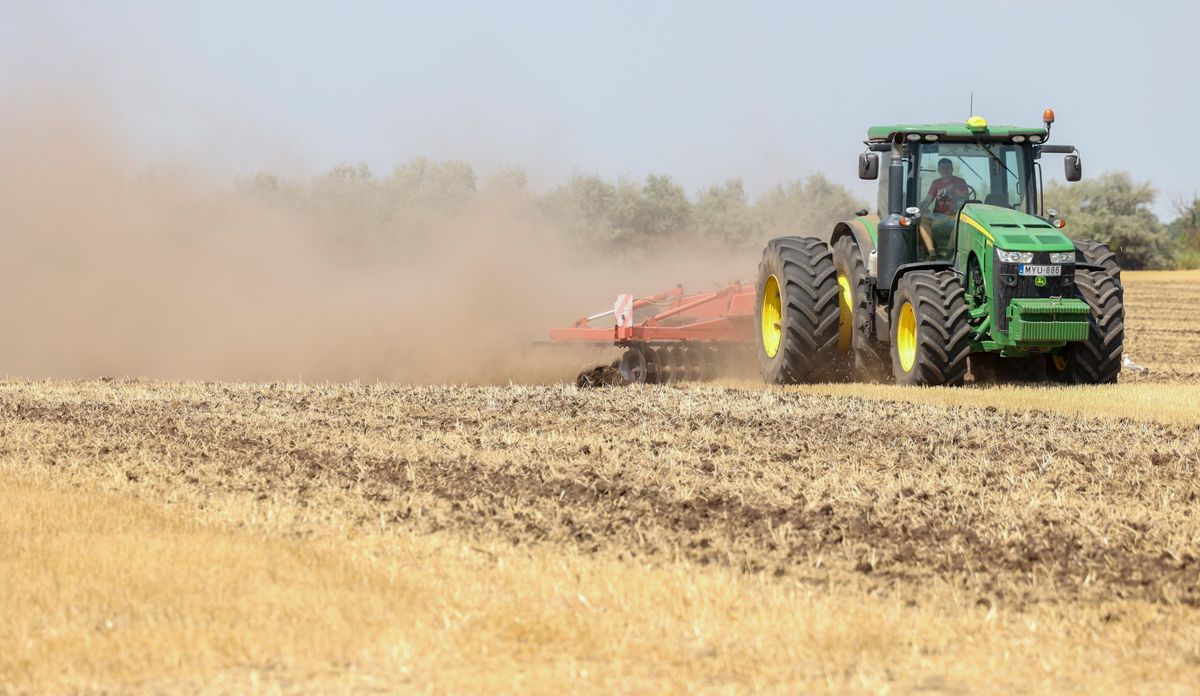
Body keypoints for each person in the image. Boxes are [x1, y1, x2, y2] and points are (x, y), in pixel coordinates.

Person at [917, 158, 970, 257]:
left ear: (952, 169)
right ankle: (931, 251)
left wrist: (954, 189)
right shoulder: (936, 183)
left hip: (954, 215)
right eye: (942, 168)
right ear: (939, 170)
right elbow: (928, 200)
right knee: (921, 222)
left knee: (960, 223)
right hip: (938, 215)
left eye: (947, 168)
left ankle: (948, 251)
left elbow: (965, 198)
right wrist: (920, 209)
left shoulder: (959, 182)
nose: (945, 170)